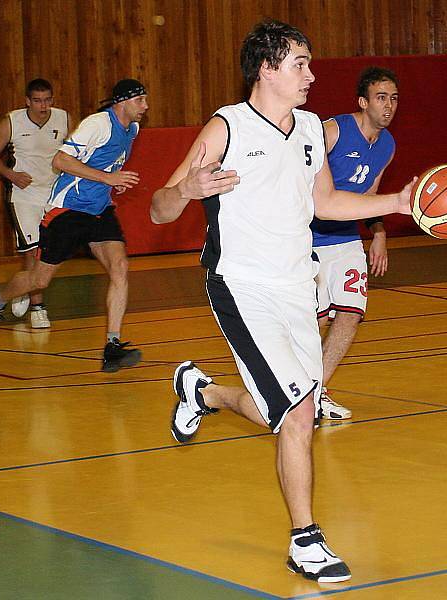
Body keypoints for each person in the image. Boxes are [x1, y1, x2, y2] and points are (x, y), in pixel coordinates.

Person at [150, 20, 413, 583]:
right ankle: (306, 540)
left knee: (294, 410)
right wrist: (186, 190)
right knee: (295, 411)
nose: (311, 75)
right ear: (266, 68)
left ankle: (205, 392)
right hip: (240, 286)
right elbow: (159, 209)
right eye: (300, 64)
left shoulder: (313, 129)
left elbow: (325, 202)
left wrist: (398, 201)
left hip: (298, 284)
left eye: (309, 63)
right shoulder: (226, 127)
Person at [0, 79, 148, 373]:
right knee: (39, 281)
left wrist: (113, 180)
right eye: (140, 100)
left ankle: (112, 346)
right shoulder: (98, 124)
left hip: (100, 210)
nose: (145, 106)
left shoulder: (131, 129)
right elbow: (60, 161)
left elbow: (107, 165)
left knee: (120, 268)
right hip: (68, 209)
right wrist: (107, 179)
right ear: (122, 102)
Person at [311, 66, 399, 420]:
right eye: (381, 98)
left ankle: (317, 390)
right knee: (314, 322)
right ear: (363, 102)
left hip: (346, 239)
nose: (388, 106)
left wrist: (378, 233)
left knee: (350, 314)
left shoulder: (387, 145)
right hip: (309, 238)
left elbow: (371, 196)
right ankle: (296, 389)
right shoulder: (332, 131)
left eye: (393, 99)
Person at [0, 78, 72, 329]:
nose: (42, 106)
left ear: (52, 100)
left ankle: (22, 288)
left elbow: (76, 152)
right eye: (37, 100)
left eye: (47, 100)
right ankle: (38, 308)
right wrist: (11, 175)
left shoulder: (64, 119)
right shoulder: (12, 121)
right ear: (27, 101)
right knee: (34, 251)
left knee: (48, 251)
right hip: (23, 196)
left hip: (54, 195)